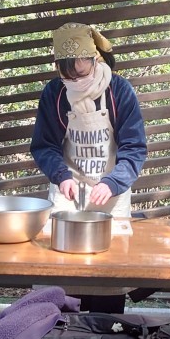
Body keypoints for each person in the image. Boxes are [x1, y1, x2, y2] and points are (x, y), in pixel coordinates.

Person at [30, 22, 147, 313]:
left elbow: (134, 148)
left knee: (109, 278)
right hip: (68, 193)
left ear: (95, 60)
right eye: (67, 76)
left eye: (81, 74)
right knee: (64, 278)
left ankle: (107, 332)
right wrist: (61, 176)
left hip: (111, 196)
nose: (75, 81)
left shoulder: (120, 91)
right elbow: (44, 145)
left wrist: (113, 182)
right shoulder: (54, 94)